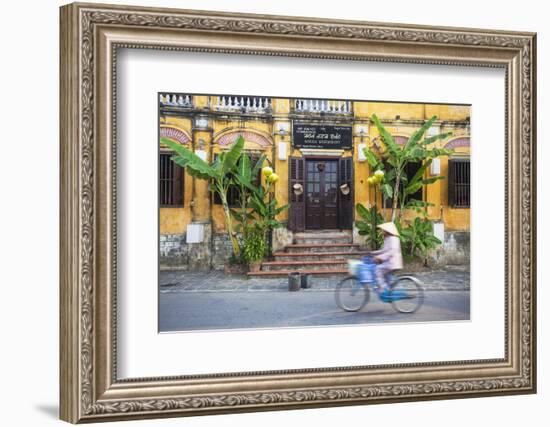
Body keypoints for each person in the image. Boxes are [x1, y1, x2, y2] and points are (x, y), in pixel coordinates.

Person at [370, 222, 403, 295]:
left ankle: (384, 289)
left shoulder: (393, 239)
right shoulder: (388, 239)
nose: (382, 232)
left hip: (392, 262)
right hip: (389, 262)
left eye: (383, 230)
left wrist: (379, 257)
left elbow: (392, 251)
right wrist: (373, 253)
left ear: (388, 231)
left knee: (377, 270)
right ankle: (388, 290)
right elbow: (384, 250)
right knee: (386, 277)